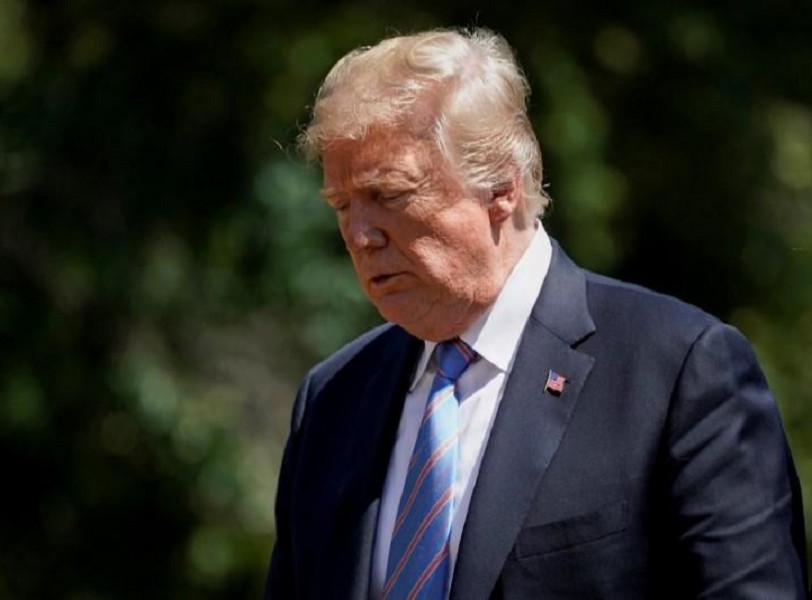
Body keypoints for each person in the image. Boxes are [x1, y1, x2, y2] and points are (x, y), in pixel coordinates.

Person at [264, 27, 808, 599]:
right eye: (343, 205)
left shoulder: (678, 372)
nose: (360, 234)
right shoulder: (332, 400)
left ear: (501, 184)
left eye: (390, 194)